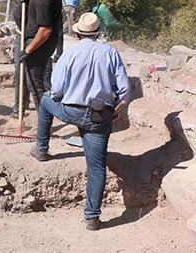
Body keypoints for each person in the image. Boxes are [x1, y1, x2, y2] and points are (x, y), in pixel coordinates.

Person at [31, 12, 130, 231]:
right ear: (98, 33)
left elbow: (56, 90)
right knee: (96, 168)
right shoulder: (110, 52)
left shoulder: (70, 54)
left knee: (46, 100)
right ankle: (92, 218)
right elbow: (124, 89)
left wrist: (65, 96)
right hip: (100, 116)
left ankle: (41, 149)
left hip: (72, 111)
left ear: (77, 33)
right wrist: (119, 107)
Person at [10, 0, 63, 118]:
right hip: (35, 41)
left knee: (36, 83)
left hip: (39, 43)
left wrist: (27, 50)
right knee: (32, 80)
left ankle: (45, 123)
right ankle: (26, 112)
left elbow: (45, 30)